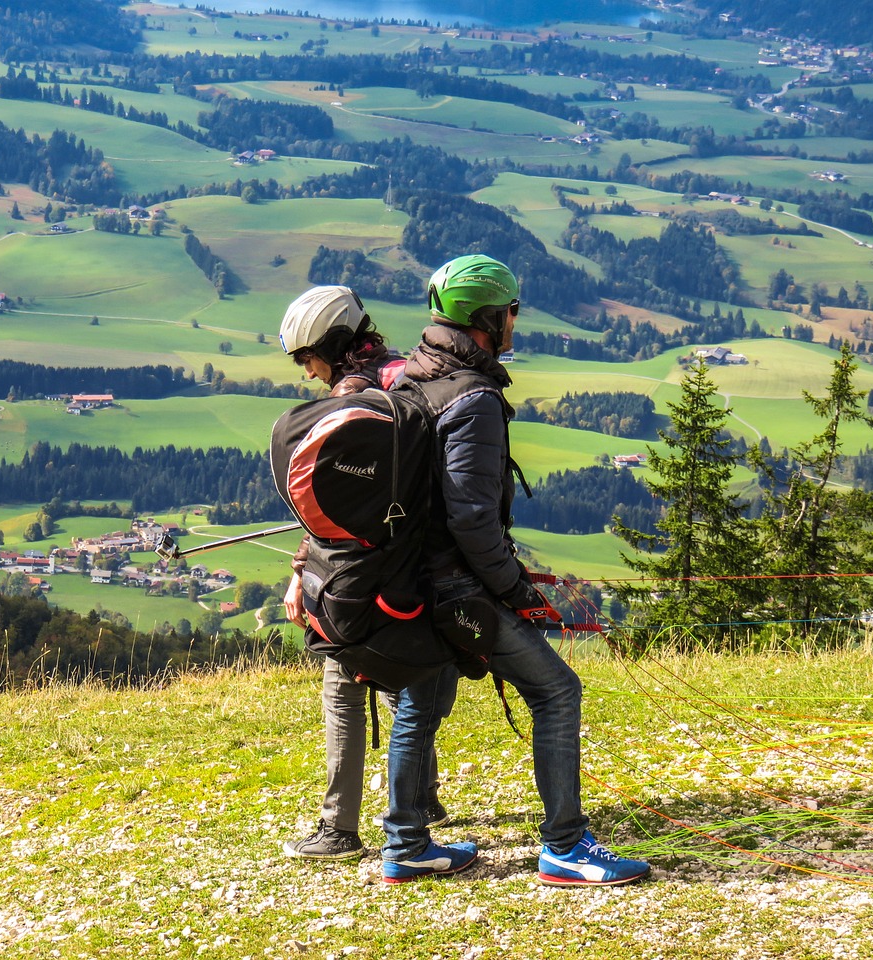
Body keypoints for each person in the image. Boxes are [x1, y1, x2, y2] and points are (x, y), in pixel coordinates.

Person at [379, 254, 651, 886]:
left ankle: (407, 846)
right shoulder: (472, 399)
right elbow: (471, 519)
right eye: (510, 310)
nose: (513, 320)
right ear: (488, 318)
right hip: (457, 588)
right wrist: (516, 592)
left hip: (408, 583)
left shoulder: (409, 379)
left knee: (418, 704)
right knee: (556, 691)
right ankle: (564, 846)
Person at [275, 285, 451, 863]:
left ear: (330, 343)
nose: (307, 374)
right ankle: (419, 799)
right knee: (413, 683)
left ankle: (338, 828)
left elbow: (334, 511)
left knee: (343, 690)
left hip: (355, 573)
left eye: (308, 359)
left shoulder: (351, 401)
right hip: (420, 566)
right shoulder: (410, 379)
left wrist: (305, 569)